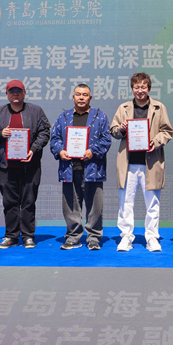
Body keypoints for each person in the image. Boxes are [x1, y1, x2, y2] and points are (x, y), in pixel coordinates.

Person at [110, 73, 173, 252]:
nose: (140, 90)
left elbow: (167, 131)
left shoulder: (159, 107)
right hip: (128, 163)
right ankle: (126, 237)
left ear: (149, 88)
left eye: (143, 87)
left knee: (152, 203)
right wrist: (121, 129)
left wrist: (156, 141)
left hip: (151, 163)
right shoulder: (123, 108)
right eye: (136, 87)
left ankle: (152, 237)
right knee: (125, 203)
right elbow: (113, 130)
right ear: (132, 89)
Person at [0, 80, 50, 249]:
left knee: (28, 201)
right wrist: (1, 133)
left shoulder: (36, 110)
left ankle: (28, 236)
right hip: (7, 166)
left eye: (19, 91)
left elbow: (45, 132)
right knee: (9, 202)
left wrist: (33, 149)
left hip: (30, 165)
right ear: (7, 94)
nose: (15, 94)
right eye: (11, 91)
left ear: (24, 93)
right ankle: (11, 236)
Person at [50, 84, 112, 251]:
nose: (81, 97)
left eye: (85, 95)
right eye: (78, 94)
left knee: (95, 207)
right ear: (73, 97)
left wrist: (93, 151)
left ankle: (94, 238)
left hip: (93, 168)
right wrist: (60, 151)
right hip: (69, 168)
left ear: (90, 98)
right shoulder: (64, 117)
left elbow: (106, 139)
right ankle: (73, 237)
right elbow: (54, 138)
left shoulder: (100, 116)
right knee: (70, 206)